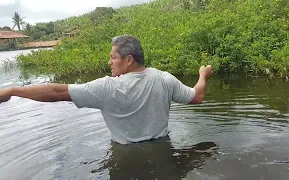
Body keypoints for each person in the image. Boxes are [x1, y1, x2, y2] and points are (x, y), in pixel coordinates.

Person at [0, 35, 212, 144]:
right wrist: (202, 75)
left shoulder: (107, 88)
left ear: (128, 60)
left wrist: (13, 91)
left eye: (113, 57)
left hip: (125, 154)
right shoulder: (164, 79)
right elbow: (197, 96)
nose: (109, 62)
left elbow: (56, 92)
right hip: (162, 148)